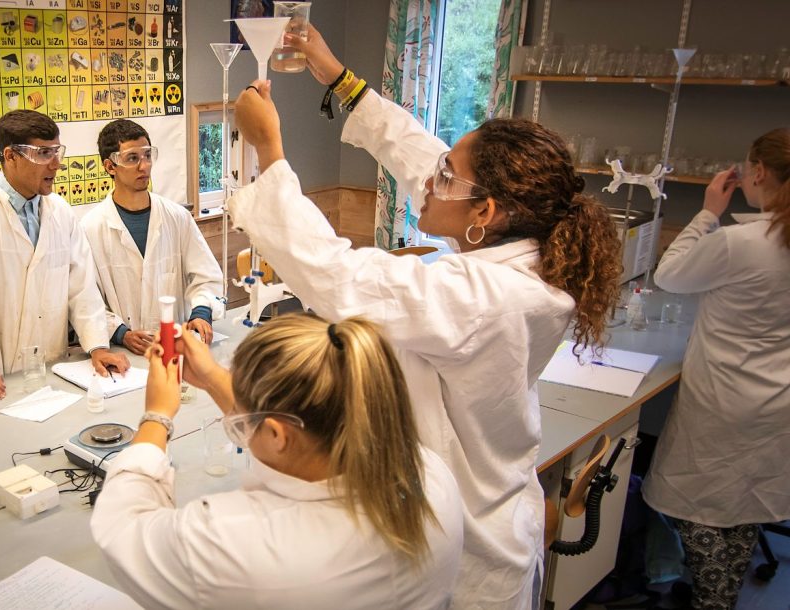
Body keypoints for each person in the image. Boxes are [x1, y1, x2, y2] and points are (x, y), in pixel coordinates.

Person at [228, 26, 622, 609]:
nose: (429, 180)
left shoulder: (484, 293)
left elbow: (340, 277)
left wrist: (271, 154)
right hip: (464, 509)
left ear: (484, 212)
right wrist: (342, 80)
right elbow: (422, 157)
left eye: (446, 177)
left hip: (465, 548)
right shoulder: (525, 251)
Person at [91, 314, 464, 609]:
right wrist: (212, 377)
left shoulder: (234, 542)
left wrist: (157, 414)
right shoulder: (428, 473)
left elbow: (124, 526)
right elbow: (281, 427)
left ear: (279, 435)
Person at [642, 128, 790, 610]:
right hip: (776, 399)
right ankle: (719, 592)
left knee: (702, 509)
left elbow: (668, 275)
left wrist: (708, 211)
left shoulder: (741, 241)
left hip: (725, 399)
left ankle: (712, 599)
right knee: (742, 506)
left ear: (759, 172)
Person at [0, 110, 130, 400]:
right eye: (44, 153)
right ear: (10, 156)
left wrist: (98, 346)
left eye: (56, 152)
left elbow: (81, 289)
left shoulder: (59, 212)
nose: (56, 164)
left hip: (50, 370)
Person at [81, 119, 223, 355]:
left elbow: (206, 277)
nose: (144, 166)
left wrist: (201, 313)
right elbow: (86, 299)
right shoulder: (90, 228)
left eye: (147, 155)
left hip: (175, 349)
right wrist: (121, 333)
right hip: (124, 355)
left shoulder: (177, 217)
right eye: (132, 158)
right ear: (110, 166)